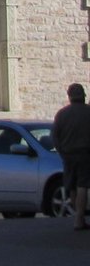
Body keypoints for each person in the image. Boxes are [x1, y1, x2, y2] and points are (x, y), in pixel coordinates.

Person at [54, 82, 90, 230]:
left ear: (69, 96)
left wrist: (62, 152)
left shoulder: (62, 114)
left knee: (72, 186)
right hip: (85, 154)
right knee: (83, 185)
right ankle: (79, 219)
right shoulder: (88, 112)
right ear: (83, 95)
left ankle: (78, 218)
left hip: (67, 154)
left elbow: (55, 137)